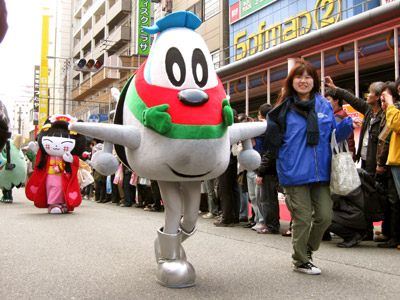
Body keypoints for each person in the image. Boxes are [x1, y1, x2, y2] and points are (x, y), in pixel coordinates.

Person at [264, 59, 361, 275]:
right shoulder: (283, 108)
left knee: (325, 216)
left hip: (321, 172)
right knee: (302, 218)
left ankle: (306, 251)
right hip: (294, 171)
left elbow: (333, 136)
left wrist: (347, 125)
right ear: (292, 81)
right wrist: (275, 165)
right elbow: (272, 142)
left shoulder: (323, 104)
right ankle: (300, 261)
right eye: (299, 77)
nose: (303, 81)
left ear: (314, 81)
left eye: (308, 77)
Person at [325, 76, 385, 176]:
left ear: (378, 97)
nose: (368, 95)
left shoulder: (384, 115)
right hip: (364, 159)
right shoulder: (368, 110)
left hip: (376, 162)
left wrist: (381, 163)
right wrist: (334, 87)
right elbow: (352, 99)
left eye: (370, 93)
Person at [378, 80, 400, 248]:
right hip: (394, 159)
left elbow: (396, 125)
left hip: (396, 159)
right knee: (392, 199)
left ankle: (395, 236)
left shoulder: (394, 109)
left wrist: (391, 106)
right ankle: (391, 234)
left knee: (395, 201)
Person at [255, 104, 280, 234]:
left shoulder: (270, 129)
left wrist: (261, 172)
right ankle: (271, 224)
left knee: (268, 200)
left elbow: (269, 153)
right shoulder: (276, 127)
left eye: (259, 115)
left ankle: (272, 225)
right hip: (274, 168)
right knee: (267, 199)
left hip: (269, 170)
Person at [324, 89, 356, 159]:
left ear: (336, 100)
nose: (326, 102)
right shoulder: (339, 114)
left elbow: (333, 137)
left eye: (328, 99)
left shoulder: (338, 117)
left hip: (341, 154)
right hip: (346, 152)